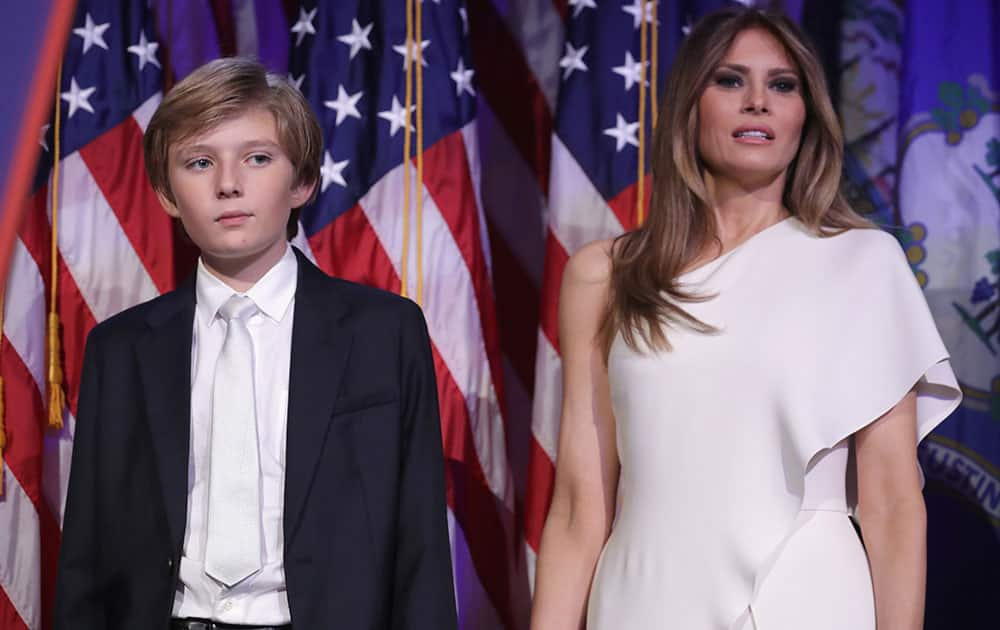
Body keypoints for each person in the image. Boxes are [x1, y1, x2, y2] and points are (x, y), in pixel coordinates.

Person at [530, 7, 961, 630]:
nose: (758, 101)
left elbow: (892, 501)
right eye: (730, 81)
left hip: (805, 599)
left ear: (805, 115)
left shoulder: (862, 263)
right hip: (640, 600)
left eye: (782, 85)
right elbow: (577, 505)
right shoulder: (604, 274)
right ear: (690, 106)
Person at [53, 57, 458, 630]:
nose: (228, 183)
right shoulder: (120, 349)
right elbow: (89, 556)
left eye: (257, 158)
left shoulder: (381, 332)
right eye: (199, 162)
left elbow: (419, 542)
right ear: (167, 194)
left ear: (302, 182)